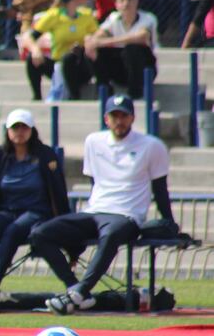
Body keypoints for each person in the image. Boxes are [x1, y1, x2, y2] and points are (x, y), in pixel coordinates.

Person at [31, 95, 175, 315]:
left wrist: (169, 222)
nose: (119, 121)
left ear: (132, 118)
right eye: (114, 116)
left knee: (110, 235)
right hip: (95, 210)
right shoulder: (93, 141)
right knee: (40, 233)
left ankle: (78, 293)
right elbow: (95, 181)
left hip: (127, 215)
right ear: (106, 119)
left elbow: (160, 189)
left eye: (124, 116)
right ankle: (76, 289)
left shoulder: (152, 146)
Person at [0, 109, 69, 312]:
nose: (20, 132)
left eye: (24, 127)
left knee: (12, 232)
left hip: (36, 212)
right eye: (15, 127)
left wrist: (67, 229)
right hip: (7, 210)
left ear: (32, 130)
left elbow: (59, 191)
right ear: (7, 131)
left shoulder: (45, 154)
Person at [20, 0, 97, 101]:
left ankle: (75, 97)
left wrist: (87, 43)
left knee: (70, 58)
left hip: (79, 65)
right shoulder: (54, 15)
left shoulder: (86, 16)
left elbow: (97, 35)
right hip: (59, 65)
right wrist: (35, 50)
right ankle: (37, 96)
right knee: (32, 59)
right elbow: (28, 37)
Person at [85, 0, 159, 99]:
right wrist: (92, 41)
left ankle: (135, 93)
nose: (126, 3)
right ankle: (104, 90)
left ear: (136, 1)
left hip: (143, 68)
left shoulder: (148, 18)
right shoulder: (113, 18)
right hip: (122, 69)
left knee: (131, 49)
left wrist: (105, 41)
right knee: (94, 50)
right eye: (122, 0)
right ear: (116, 5)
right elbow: (99, 35)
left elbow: (142, 37)